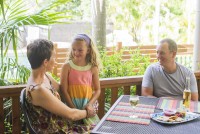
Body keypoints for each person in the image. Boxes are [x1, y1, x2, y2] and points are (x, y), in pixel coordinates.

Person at [26, 39, 96, 133]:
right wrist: (89, 112)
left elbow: (63, 90)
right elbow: (71, 115)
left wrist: (89, 100)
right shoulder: (38, 89)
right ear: (45, 62)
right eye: (54, 57)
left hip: (63, 126)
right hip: (57, 131)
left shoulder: (46, 77)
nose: (56, 61)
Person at [60, 34, 101, 127]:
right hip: (70, 110)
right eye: (73, 49)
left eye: (80, 50)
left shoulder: (93, 68)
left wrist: (89, 105)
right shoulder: (67, 67)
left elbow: (98, 90)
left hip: (87, 111)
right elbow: (64, 90)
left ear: (88, 50)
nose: (76, 52)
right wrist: (73, 109)